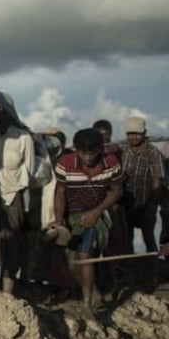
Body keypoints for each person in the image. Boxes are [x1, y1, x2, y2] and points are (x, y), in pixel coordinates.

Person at [52, 128, 124, 314]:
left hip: (97, 216)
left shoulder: (111, 163)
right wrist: (59, 222)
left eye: (91, 153)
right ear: (76, 149)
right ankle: (93, 292)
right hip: (72, 216)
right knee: (73, 262)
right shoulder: (65, 164)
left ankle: (87, 305)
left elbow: (117, 191)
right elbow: (60, 192)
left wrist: (97, 212)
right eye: (82, 153)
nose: (87, 157)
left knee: (85, 254)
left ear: (100, 149)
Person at [0, 94, 34, 296]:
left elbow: (28, 172)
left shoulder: (23, 137)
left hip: (12, 195)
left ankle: (7, 291)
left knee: (10, 244)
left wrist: (25, 205)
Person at [119, 116, 163, 256]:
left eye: (137, 133)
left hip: (146, 204)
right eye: (130, 134)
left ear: (144, 133)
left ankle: (153, 272)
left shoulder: (153, 153)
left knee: (149, 239)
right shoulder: (123, 151)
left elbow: (157, 183)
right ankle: (130, 272)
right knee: (127, 240)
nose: (133, 137)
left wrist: (150, 206)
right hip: (127, 204)